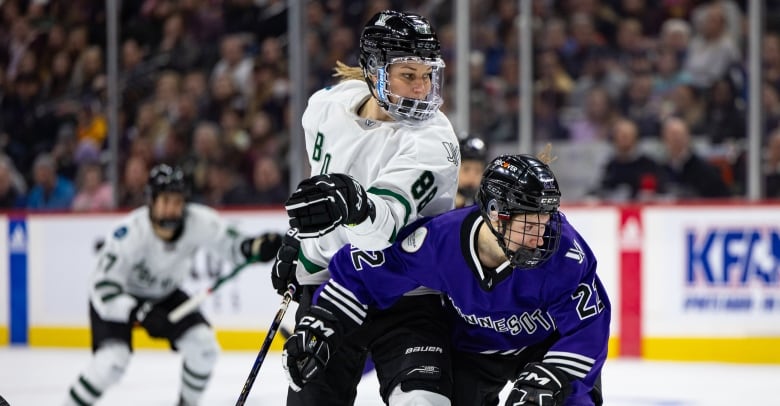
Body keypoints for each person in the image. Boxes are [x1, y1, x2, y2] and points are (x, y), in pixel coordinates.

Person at [283, 154, 609, 406]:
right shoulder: (439, 241)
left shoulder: (565, 253)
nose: (541, 239)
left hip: (544, 348)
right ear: (496, 214)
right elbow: (361, 272)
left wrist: (555, 375)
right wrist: (325, 320)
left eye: (545, 221)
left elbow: (588, 326)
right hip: (475, 352)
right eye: (529, 225)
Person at [271, 10, 460, 406]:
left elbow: (381, 232)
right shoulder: (326, 108)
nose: (422, 89)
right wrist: (302, 243)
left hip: (408, 295)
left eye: (427, 75)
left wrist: (353, 206)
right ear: (374, 71)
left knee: (424, 403)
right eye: (408, 75)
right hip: (331, 292)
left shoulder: (433, 142)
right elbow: (321, 185)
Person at [64, 164, 282, 406]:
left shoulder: (198, 221)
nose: (172, 209)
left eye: (178, 202)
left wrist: (255, 247)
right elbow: (101, 285)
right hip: (120, 298)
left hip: (165, 296)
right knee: (112, 362)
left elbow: (232, 245)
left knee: (203, 347)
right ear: (152, 201)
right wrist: (137, 311)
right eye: (166, 201)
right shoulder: (130, 234)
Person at [455, 135, 488, 208]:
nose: (472, 175)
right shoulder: (443, 205)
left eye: (478, 170)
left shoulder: (487, 206)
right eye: (466, 169)